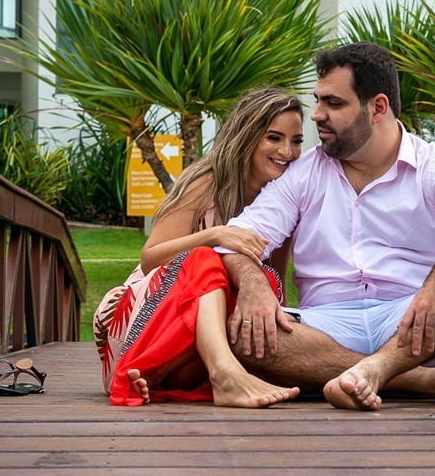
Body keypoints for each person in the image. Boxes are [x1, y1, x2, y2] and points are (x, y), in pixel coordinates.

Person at [217, 42, 435, 411]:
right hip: (323, 326)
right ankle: (412, 380)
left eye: (333, 103)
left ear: (377, 108)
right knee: (237, 329)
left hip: (412, 320)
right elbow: (240, 237)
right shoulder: (304, 173)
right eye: (318, 100)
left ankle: (380, 368)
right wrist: (253, 283)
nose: (317, 115)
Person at [93, 87, 304, 408]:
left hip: (194, 351)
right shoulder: (206, 181)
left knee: (267, 282)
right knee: (206, 259)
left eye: (297, 140)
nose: (287, 151)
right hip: (144, 325)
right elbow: (150, 258)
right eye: (273, 138)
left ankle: (164, 376)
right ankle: (215, 374)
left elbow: (275, 278)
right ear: (247, 136)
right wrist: (215, 236)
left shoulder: (284, 199)